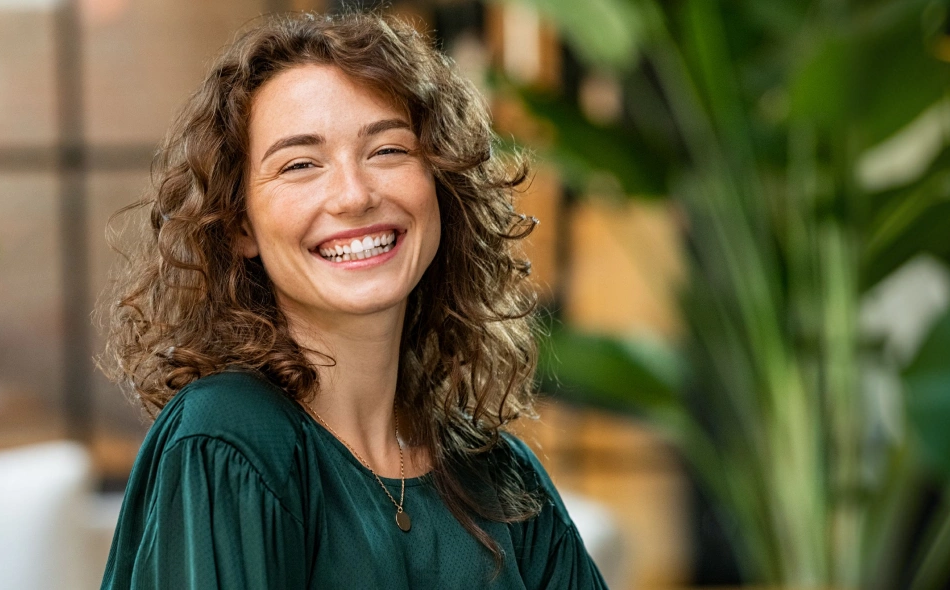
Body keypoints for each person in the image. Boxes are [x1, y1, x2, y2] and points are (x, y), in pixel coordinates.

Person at [97, 11, 609, 590]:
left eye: (387, 150)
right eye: (300, 164)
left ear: (440, 183)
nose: (354, 195)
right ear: (239, 224)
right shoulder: (228, 441)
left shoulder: (502, 478)